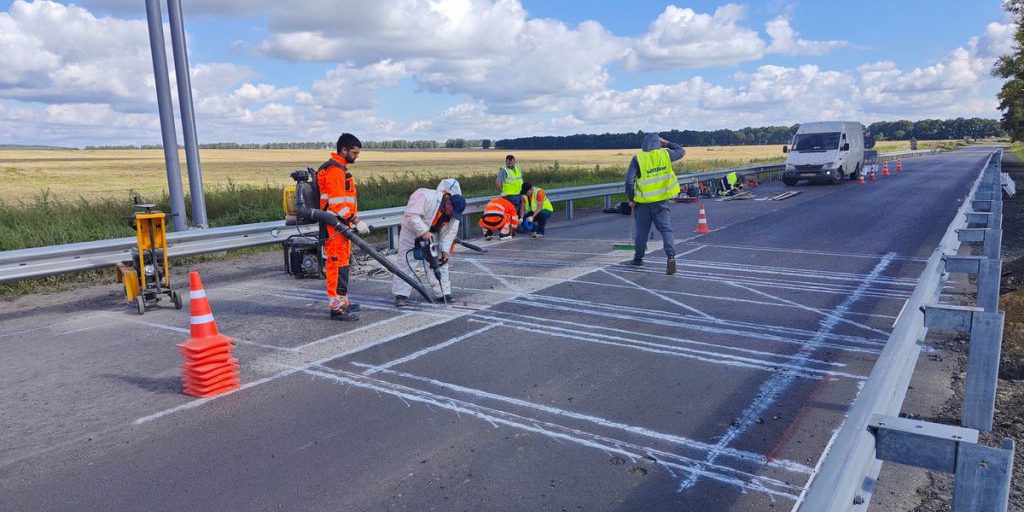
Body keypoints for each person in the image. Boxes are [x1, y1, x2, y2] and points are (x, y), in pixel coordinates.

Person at [317, 133, 369, 321]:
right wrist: (355, 221)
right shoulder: (334, 170)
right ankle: (335, 307)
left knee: (343, 263)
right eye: (354, 153)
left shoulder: (341, 169)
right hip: (334, 225)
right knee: (335, 264)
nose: (356, 156)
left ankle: (343, 300)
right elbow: (337, 203)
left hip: (341, 224)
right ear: (344, 150)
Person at [393, 179, 466, 307]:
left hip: (433, 234)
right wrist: (423, 232)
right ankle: (401, 295)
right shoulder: (426, 196)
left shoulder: (454, 215)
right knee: (406, 261)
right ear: (448, 202)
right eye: (452, 211)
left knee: (439, 262)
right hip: (411, 232)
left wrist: (445, 251)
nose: (452, 215)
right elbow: (412, 216)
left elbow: (449, 235)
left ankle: (443, 293)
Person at [625, 132, 686, 275]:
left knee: (641, 233)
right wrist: (666, 143)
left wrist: (631, 198)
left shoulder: (638, 159)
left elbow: (629, 182)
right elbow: (681, 151)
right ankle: (671, 257)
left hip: (643, 203)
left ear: (644, 144)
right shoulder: (665, 155)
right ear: (658, 143)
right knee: (666, 230)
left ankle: (638, 259)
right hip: (662, 202)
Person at [495, 154, 525, 219]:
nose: (510, 164)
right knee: (513, 214)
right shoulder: (503, 170)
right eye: (508, 163)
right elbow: (497, 183)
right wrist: (502, 193)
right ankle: (513, 228)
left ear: (514, 161)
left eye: (511, 162)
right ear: (506, 162)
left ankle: (518, 227)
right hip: (510, 196)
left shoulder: (518, 168)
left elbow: (521, 179)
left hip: (520, 194)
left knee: (520, 214)